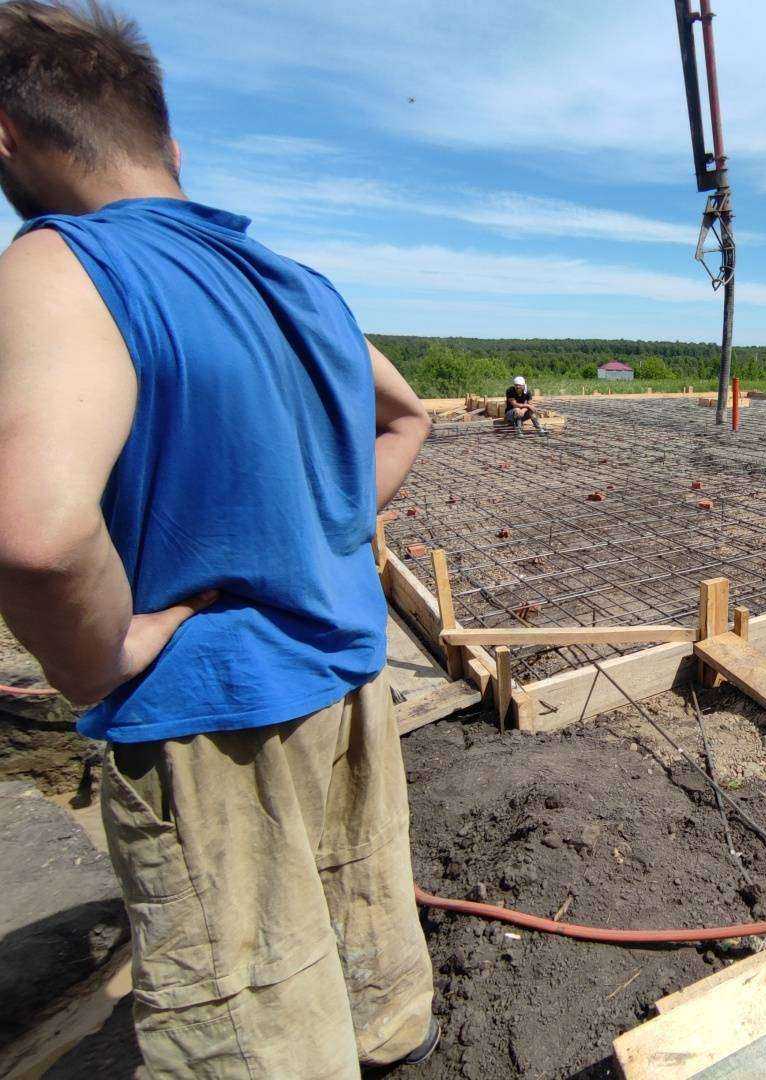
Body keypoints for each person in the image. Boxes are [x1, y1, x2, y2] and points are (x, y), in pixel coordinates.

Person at [0, 3, 439, 1075]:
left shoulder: (61, 265)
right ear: (171, 147)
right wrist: (324, 531)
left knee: (249, 1027)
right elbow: (409, 415)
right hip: (350, 679)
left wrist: (103, 660)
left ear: (6, 137)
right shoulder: (303, 286)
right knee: (365, 952)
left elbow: (37, 537)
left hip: (209, 719)